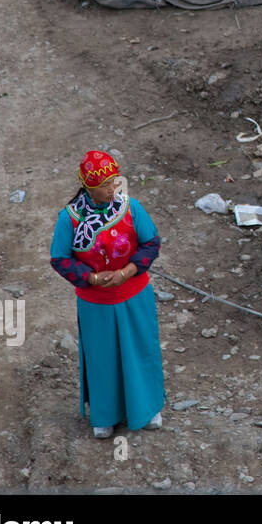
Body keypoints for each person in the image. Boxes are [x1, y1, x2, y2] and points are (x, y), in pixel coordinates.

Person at [49, 150, 166, 439]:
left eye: (115, 181)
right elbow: (60, 259)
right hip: (96, 302)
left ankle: (147, 408)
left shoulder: (130, 208)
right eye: (106, 185)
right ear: (88, 186)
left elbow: (151, 242)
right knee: (103, 356)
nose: (113, 188)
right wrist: (91, 277)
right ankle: (105, 414)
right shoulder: (70, 219)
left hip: (135, 294)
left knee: (141, 349)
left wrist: (127, 271)